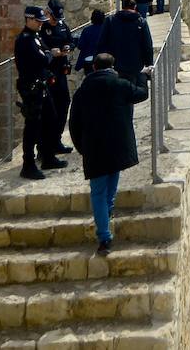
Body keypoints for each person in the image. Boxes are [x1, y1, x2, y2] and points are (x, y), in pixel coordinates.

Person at [68, 52, 150, 255]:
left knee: (98, 192)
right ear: (112, 67)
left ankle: (104, 238)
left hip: (94, 149)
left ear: (94, 68)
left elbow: (74, 124)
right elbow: (142, 94)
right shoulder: (120, 85)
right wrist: (143, 75)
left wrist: (82, 148)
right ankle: (108, 214)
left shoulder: (82, 92)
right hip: (117, 147)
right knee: (112, 182)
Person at [14, 6, 67, 180]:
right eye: (38, 21)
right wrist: (50, 54)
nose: (41, 24)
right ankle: (28, 164)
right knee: (32, 126)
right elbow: (43, 58)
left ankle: (47, 156)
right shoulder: (25, 39)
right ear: (29, 19)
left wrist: (49, 53)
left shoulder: (35, 36)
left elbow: (46, 51)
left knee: (50, 119)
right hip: (31, 87)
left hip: (41, 85)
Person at [98, 0, 154, 86]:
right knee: (132, 90)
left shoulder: (110, 20)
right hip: (135, 64)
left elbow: (102, 42)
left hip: (114, 64)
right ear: (135, 7)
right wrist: (149, 63)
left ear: (122, 6)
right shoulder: (141, 22)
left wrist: (101, 63)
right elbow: (147, 44)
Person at [43, 0, 75, 154]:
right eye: (53, 18)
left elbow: (71, 40)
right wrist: (49, 52)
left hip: (61, 72)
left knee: (64, 103)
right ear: (47, 13)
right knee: (48, 109)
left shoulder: (62, 26)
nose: (55, 21)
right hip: (47, 73)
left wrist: (68, 47)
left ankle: (56, 140)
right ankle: (44, 146)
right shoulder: (42, 27)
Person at [75, 8, 106, 73]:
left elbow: (80, 46)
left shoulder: (87, 30)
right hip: (102, 61)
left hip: (88, 61)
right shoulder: (106, 30)